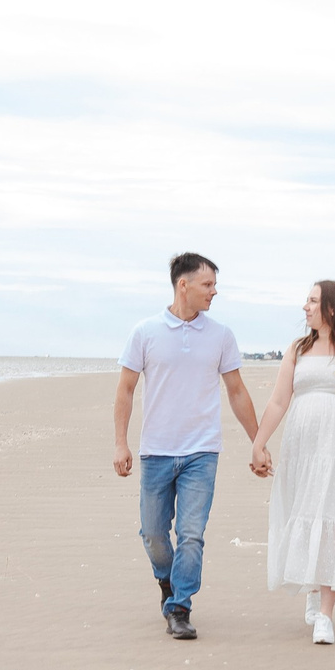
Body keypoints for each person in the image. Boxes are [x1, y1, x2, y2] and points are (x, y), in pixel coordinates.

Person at [113, 252, 259, 640]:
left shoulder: (221, 335)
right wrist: (120, 443)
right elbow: (126, 390)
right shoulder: (145, 332)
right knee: (154, 534)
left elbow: (237, 391)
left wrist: (258, 442)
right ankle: (168, 581)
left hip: (202, 451)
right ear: (184, 285)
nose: (214, 292)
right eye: (208, 285)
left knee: (192, 533)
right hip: (156, 450)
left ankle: (179, 607)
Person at [246, 279, 335, 644]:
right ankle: (314, 588)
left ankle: (325, 615)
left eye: (312, 301)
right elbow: (277, 402)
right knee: (304, 514)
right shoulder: (298, 349)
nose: (305, 307)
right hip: (302, 451)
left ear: (332, 308)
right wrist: (259, 443)